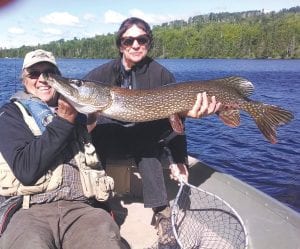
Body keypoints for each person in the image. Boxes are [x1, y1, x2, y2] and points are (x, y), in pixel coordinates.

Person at [84, 17, 221, 247]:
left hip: (143, 140)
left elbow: (177, 123)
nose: (136, 45)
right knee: (95, 140)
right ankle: (97, 204)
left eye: (142, 39)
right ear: (120, 45)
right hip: (111, 139)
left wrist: (179, 159)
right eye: (129, 40)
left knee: (149, 150)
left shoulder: (161, 75)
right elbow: (78, 114)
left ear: (149, 42)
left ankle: (162, 215)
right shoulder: (101, 76)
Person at [0, 49, 124, 249]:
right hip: (31, 211)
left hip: (82, 209)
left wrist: (178, 113)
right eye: (33, 74)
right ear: (24, 80)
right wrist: (64, 121)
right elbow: (25, 170)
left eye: (49, 72)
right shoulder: (11, 114)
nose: (42, 79)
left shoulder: (80, 114)